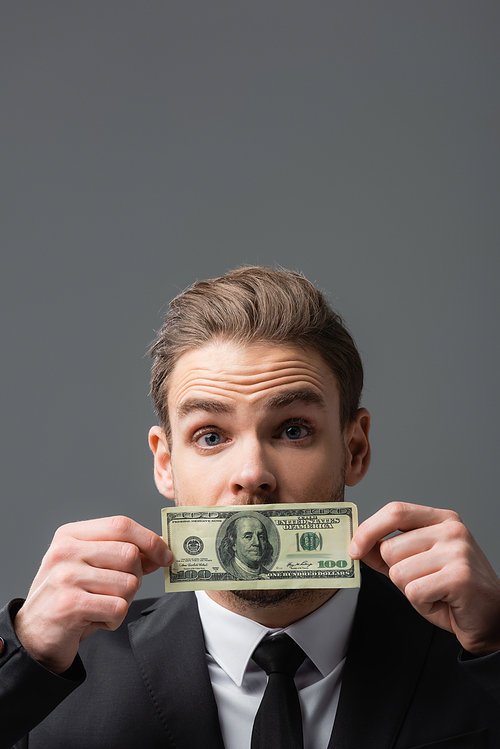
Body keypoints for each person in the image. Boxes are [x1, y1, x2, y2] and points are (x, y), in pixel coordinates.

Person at [1, 266, 500, 749]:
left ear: (355, 450)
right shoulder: (60, 671)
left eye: (293, 430)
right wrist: (25, 653)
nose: (253, 473)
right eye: (211, 436)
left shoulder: (472, 650)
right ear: (166, 464)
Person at [218, 514, 274, 579]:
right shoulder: (228, 571)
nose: (257, 543)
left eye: (261, 537)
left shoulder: (269, 575)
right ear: (233, 544)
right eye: (248, 537)